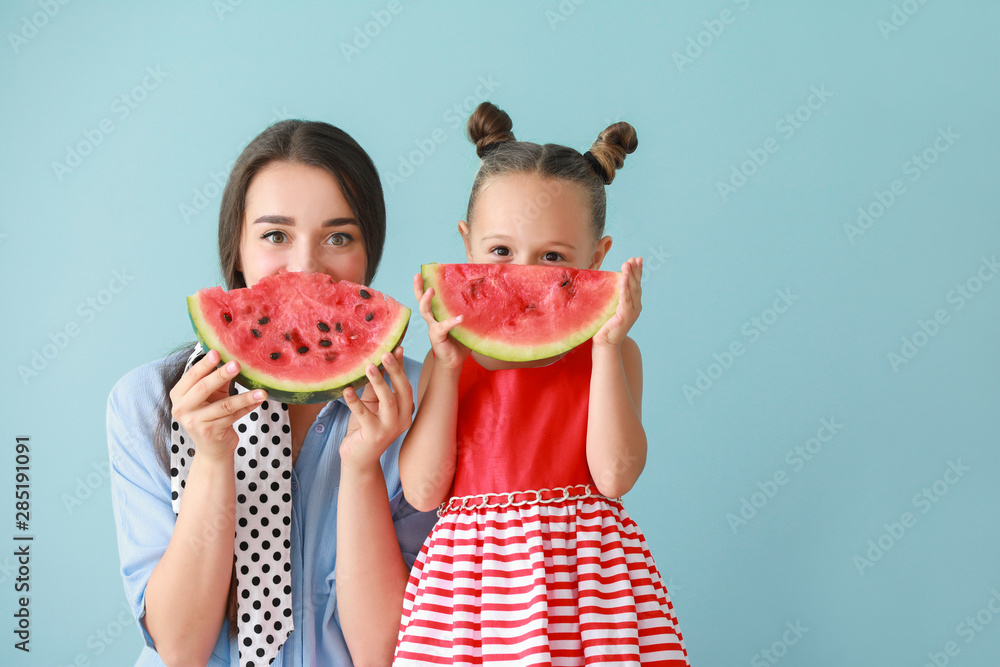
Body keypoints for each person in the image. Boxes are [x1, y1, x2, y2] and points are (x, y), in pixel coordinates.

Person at [107, 119, 437, 667]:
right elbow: (180, 649)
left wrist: (362, 467)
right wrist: (212, 461)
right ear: (236, 247)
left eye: (339, 237)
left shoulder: (425, 402)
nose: (305, 268)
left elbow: (386, 651)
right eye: (274, 235)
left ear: (368, 254)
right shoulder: (146, 403)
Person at [394, 102, 691, 665]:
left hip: (588, 586)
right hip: (473, 586)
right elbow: (423, 491)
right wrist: (450, 367)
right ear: (466, 244)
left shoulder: (618, 352)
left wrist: (604, 348)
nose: (522, 276)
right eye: (501, 251)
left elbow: (615, 475)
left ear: (598, 260)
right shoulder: (449, 359)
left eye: (552, 257)